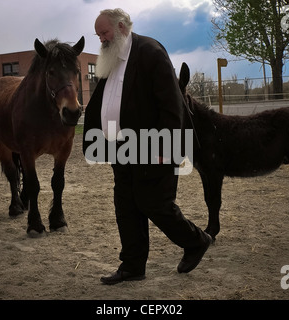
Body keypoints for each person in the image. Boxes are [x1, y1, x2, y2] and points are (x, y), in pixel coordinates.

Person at [83, 8, 212, 285]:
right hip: (121, 147)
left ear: (121, 27)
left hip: (153, 146)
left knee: (155, 203)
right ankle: (132, 266)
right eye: (98, 35)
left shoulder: (150, 51)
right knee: (126, 205)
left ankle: (196, 241)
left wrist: (166, 147)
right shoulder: (111, 58)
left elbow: (171, 104)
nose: (101, 39)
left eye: (104, 33)